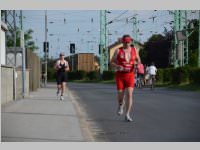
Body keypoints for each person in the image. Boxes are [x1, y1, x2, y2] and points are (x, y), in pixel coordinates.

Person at [111, 34, 141, 122]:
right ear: (122, 42)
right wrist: (117, 66)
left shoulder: (134, 50)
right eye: (125, 42)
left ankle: (127, 114)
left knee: (129, 94)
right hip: (120, 75)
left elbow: (138, 60)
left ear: (130, 42)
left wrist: (137, 64)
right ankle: (121, 104)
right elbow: (111, 62)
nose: (127, 44)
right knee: (120, 95)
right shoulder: (118, 51)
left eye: (128, 42)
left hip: (130, 75)